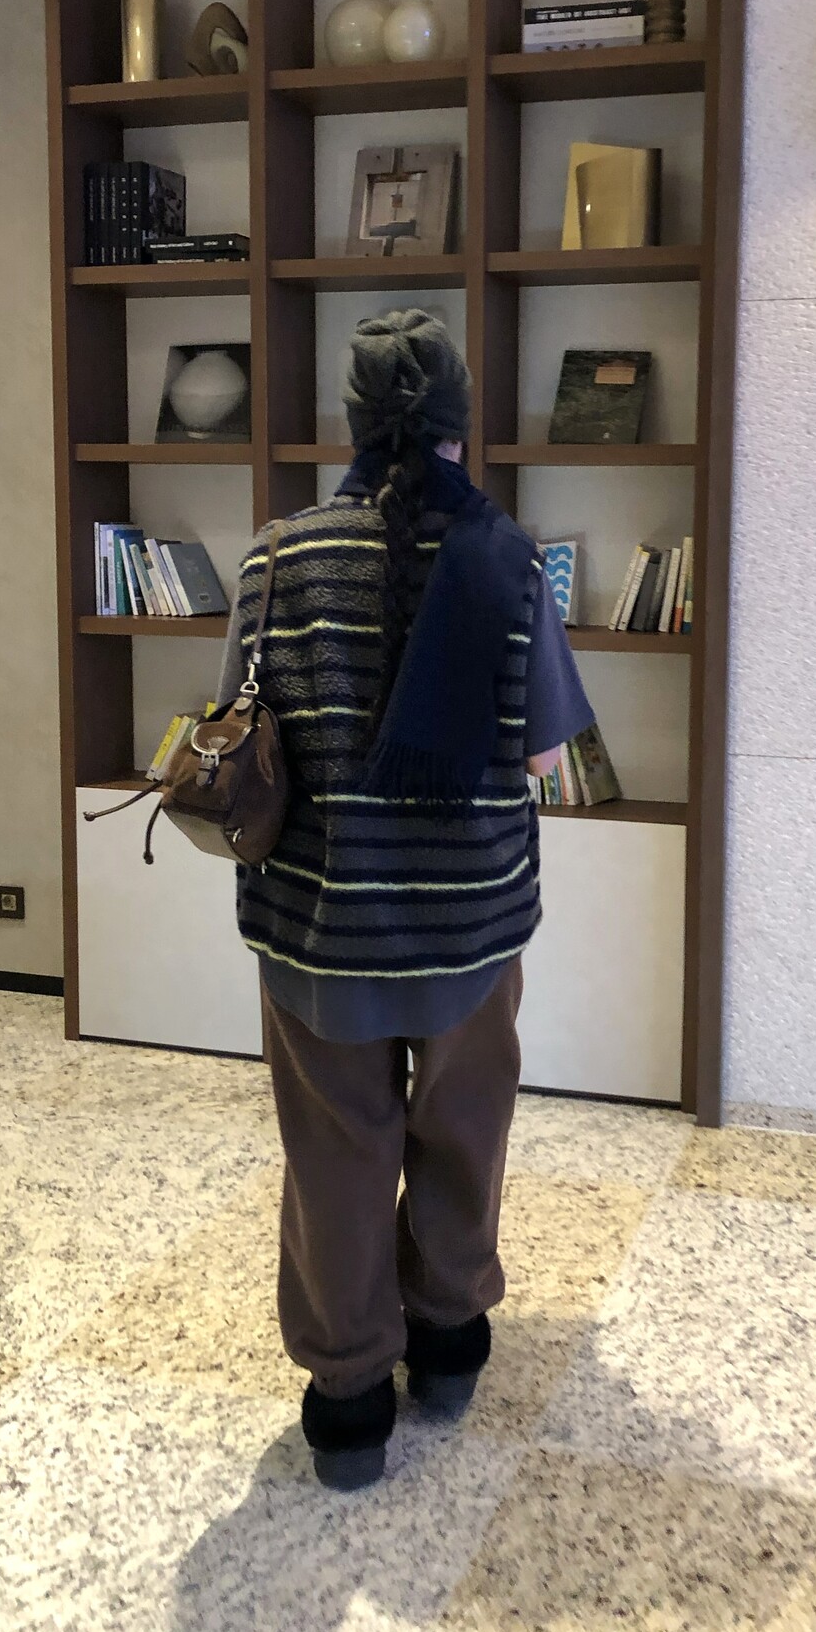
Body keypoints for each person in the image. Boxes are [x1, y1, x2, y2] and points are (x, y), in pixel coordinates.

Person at [218, 308, 593, 1490]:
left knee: (337, 1149)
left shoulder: (277, 558)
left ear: (351, 422)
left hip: (318, 926)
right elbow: (545, 756)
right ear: (456, 428)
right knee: (463, 1126)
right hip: (471, 927)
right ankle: (447, 1345)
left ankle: (347, 1403)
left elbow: (240, 726)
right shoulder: (510, 559)